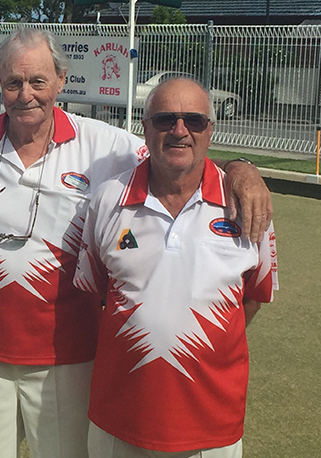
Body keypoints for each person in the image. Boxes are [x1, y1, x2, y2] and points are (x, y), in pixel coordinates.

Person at [0, 28, 273, 458]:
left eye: (38, 81)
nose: (26, 94)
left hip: (69, 357)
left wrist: (241, 168)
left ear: (60, 80)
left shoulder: (105, 145)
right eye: (13, 82)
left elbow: (177, 150)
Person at [73, 77, 278, 457]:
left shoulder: (250, 206)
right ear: (146, 128)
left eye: (194, 120)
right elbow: (97, 292)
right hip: (119, 418)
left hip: (212, 425)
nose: (179, 131)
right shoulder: (107, 199)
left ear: (210, 130)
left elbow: (251, 299)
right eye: (165, 119)